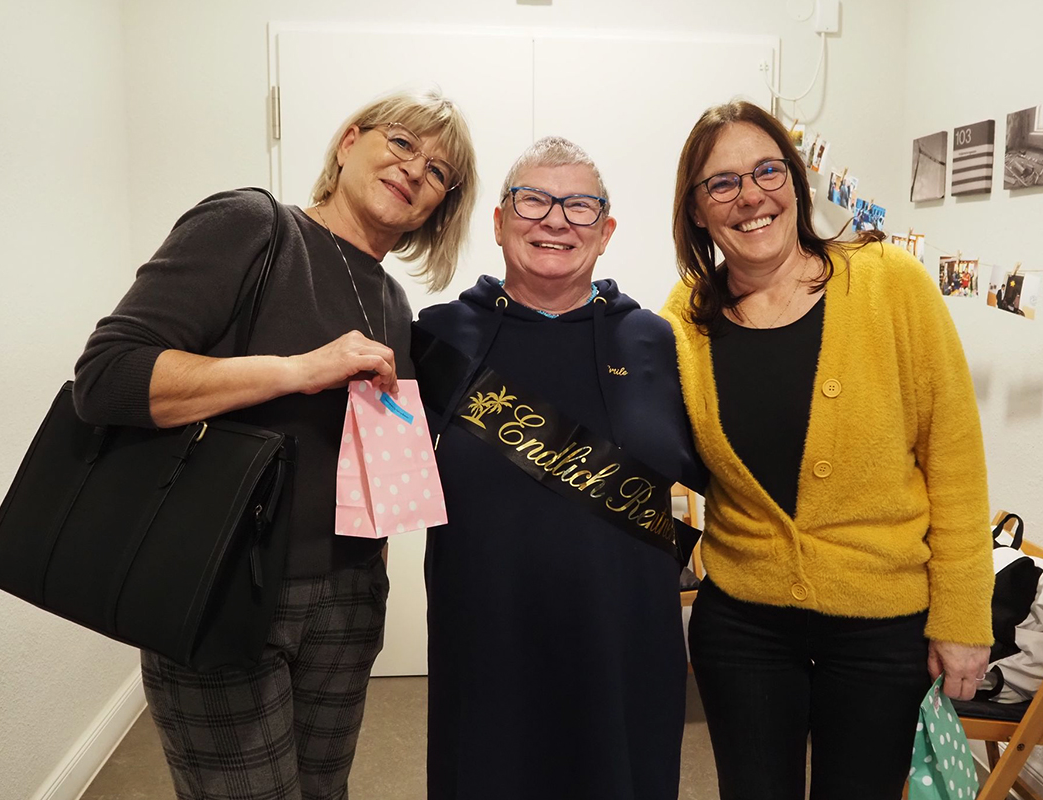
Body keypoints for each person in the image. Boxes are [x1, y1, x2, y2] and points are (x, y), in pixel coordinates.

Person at [72, 89, 478, 800]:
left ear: (439, 207)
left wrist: (374, 579)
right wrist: (298, 371)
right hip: (219, 581)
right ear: (349, 142)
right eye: (402, 142)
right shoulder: (253, 228)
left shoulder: (392, 302)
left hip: (348, 596)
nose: (416, 170)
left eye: (439, 171)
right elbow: (107, 378)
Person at [661, 100, 993, 800]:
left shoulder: (889, 281)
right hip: (743, 625)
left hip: (881, 628)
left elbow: (955, 460)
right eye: (722, 183)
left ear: (796, 179)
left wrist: (964, 618)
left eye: (767, 171)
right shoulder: (683, 320)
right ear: (695, 209)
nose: (751, 196)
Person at [416, 137, 704, 800]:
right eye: (533, 201)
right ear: (499, 222)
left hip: (624, 645)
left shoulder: (657, 341)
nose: (555, 220)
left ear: (605, 232)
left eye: (578, 206)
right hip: (487, 644)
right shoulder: (437, 336)